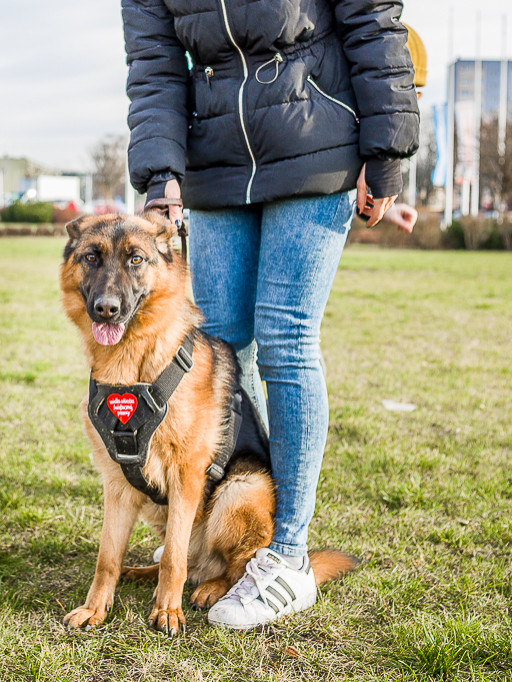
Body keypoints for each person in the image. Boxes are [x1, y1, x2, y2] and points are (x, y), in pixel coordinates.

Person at [122, 0, 419, 629]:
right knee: (222, 352)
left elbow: (372, 19)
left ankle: (285, 557)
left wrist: (386, 149)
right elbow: (153, 62)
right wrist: (160, 173)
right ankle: (216, 540)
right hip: (217, 159)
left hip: (320, 139)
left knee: (285, 338)